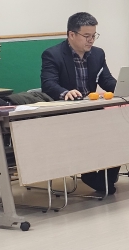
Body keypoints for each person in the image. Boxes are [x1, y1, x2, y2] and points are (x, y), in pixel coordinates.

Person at [41, 12, 119, 194]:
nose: (91, 40)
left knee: (118, 130)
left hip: (91, 109)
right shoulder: (53, 54)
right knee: (89, 135)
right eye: (86, 36)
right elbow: (48, 84)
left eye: (94, 35)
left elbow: (106, 80)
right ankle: (89, 174)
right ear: (71, 34)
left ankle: (105, 177)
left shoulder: (97, 54)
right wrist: (65, 92)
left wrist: (126, 86)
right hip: (67, 113)